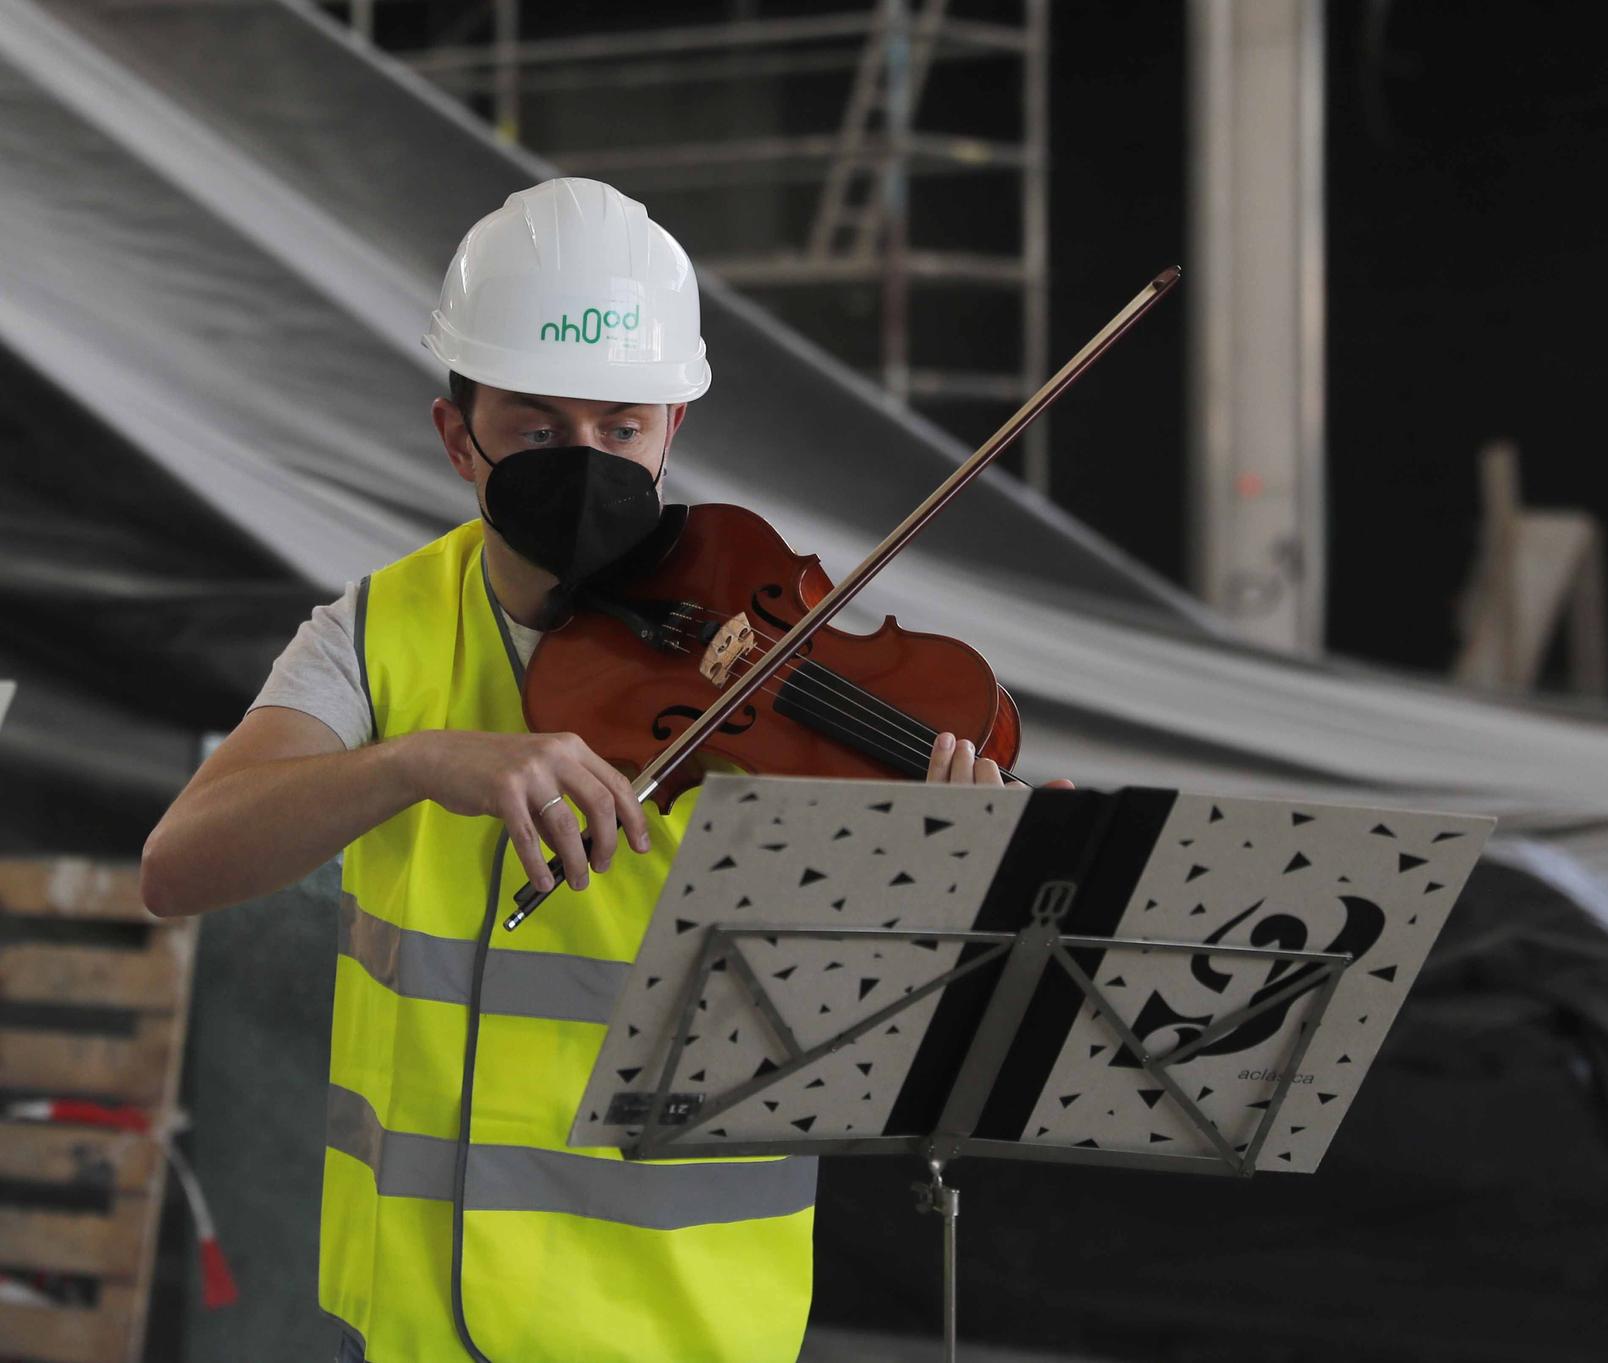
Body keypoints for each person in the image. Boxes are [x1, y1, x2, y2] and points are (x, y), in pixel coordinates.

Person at [140, 177, 1037, 1363]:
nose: (586, 459)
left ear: (673, 429)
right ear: (458, 438)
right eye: (536, 429)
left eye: (620, 429)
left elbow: (884, 1021)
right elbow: (179, 865)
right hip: (424, 1324)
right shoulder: (375, 635)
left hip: (690, 1326)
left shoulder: (789, 649)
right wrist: (412, 762)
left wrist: (956, 875)